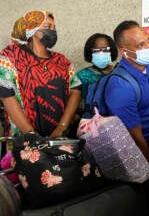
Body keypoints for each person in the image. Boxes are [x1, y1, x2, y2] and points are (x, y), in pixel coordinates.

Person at [0, 10, 81, 138]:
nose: (52, 31)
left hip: (60, 139)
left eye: (54, 28)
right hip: (23, 140)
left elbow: (75, 90)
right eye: (47, 27)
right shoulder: (11, 57)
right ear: (32, 29)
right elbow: (6, 95)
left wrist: (61, 127)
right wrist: (31, 135)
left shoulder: (61, 61)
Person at [108, 20, 149, 170]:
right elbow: (133, 136)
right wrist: (148, 166)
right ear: (124, 52)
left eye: (148, 40)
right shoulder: (120, 86)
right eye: (140, 45)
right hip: (136, 153)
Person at [77, 33, 118, 115]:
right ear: (90, 53)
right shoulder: (82, 76)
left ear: (111, 51)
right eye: (96, 51)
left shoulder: (120, 72)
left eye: (105, 50)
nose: (101, 53)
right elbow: (73, 103)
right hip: (92, 122)